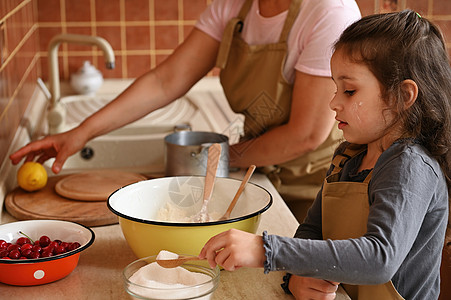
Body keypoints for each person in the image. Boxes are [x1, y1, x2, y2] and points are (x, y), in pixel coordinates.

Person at [9, 0, 361, 222]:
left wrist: (219, 158)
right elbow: (166, 80)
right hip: (260, 171)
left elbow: (306, 133)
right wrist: (81, 133)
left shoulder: (328, 12)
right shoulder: (234, 8)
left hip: (319, 186)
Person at [199, 10, 451, 300]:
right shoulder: (348, 157)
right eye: (336, 88)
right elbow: (311, 230)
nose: (334, 102)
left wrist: (267, 250)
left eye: (349, 90)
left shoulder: (410, 166)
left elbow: (379, 258)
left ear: (403, 96)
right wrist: (295, 278)